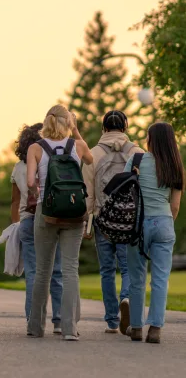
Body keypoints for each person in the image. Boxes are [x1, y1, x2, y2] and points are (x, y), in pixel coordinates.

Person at [26, 105, 93, 341]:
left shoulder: (35, 148)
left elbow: (30, 182)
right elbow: (90, 159)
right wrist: (75, 131)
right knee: (70, 269)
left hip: (47, 211)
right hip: (74, 210)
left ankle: (35, 327)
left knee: (43, 271)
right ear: (69, 122)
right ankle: (69, 329)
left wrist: (41, 188)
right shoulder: (78, 146)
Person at [82, 110, 144, 334]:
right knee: (128, 268)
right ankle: (126, 298)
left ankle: (111, 321)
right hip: (129, 220)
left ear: (104, 128)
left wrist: (86, 224)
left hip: (102, 219)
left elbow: (87, 193)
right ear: (125, 127)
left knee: (107, 270)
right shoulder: (137, 153)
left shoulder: (93, 154)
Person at [123, 122, 184, 344]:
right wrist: (164, 222)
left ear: (151, 139)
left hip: (137, 226)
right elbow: (175, 206)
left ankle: (137, 327)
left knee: (136, 278)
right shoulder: (175, 166)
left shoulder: (136, 160)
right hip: (164, 223)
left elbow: (124, 193)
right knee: (160, 279)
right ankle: (155, 328)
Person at [11, 123, 63, 334]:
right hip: (51, 218)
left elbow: (15, 202)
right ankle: (59, 320)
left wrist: (16, 224)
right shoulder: (50, 161)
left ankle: (33, 319)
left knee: (33, 273)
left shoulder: (18, 168)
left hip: (26, 221)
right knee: (57, 271)